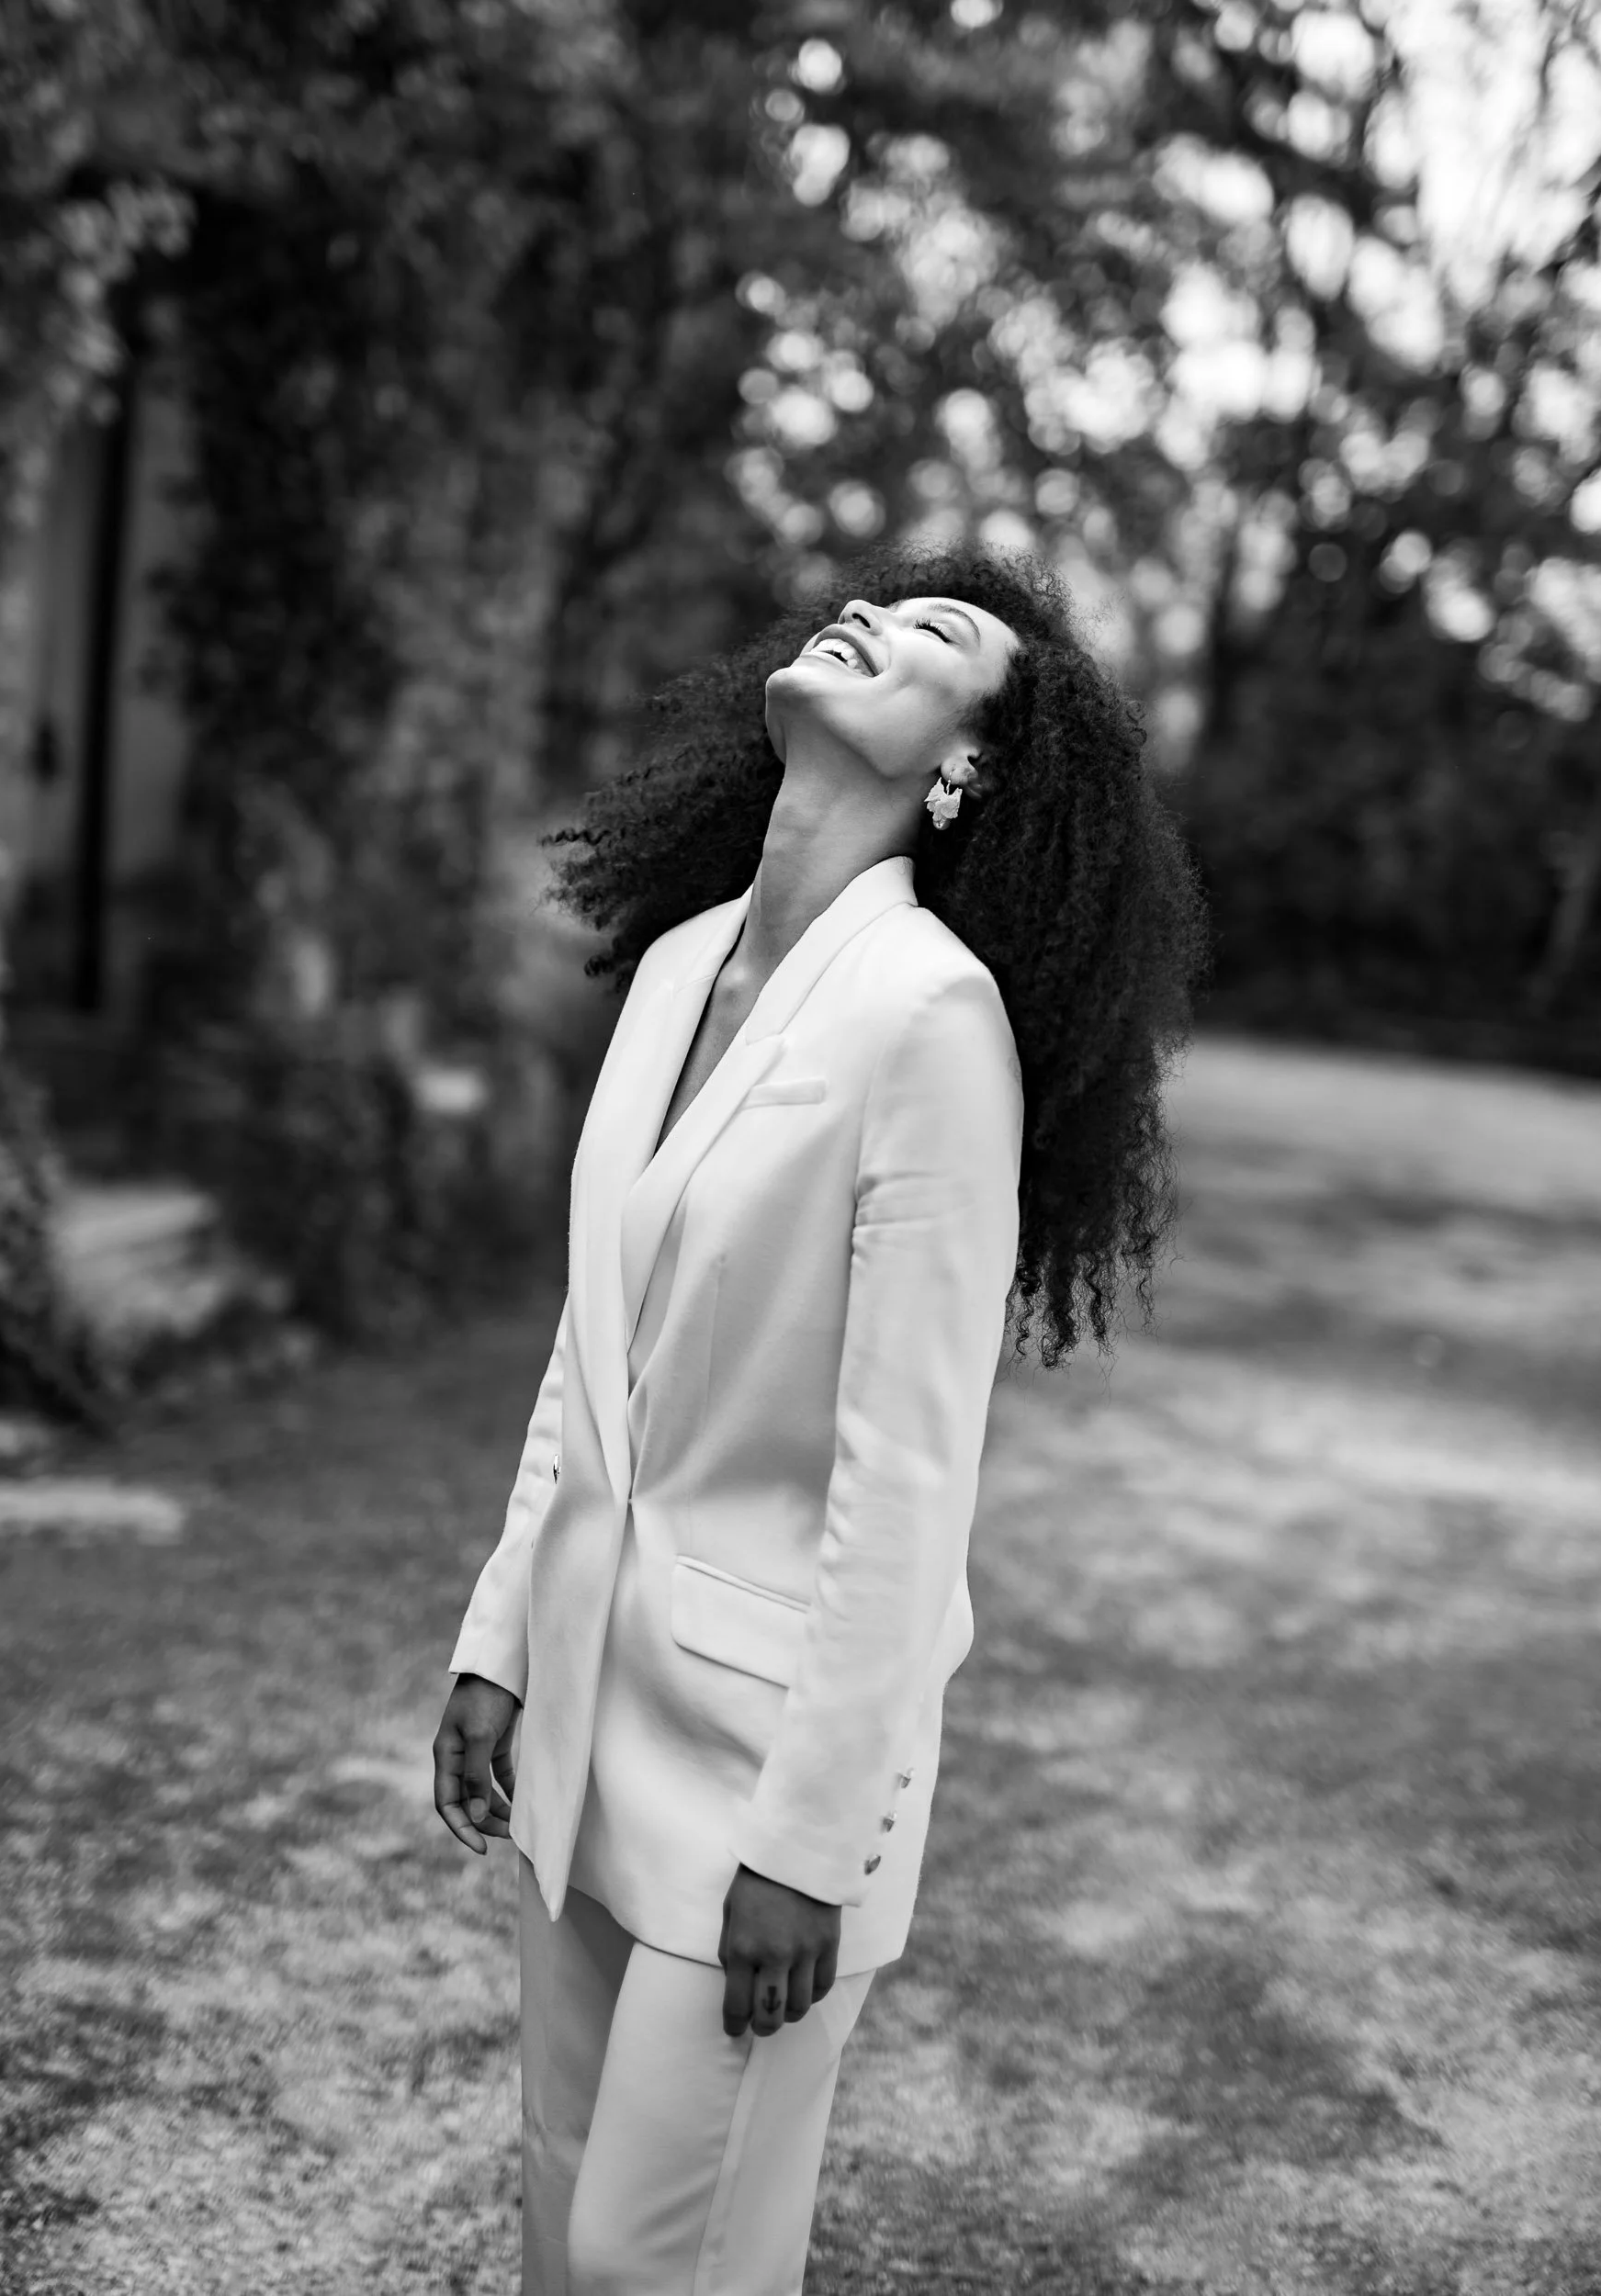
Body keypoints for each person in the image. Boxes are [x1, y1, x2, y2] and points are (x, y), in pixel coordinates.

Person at [433, 542, 1206, 2295]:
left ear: (965, 771)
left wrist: (811, 1847)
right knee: (561, 2220)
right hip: (586, 1699)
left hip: (760, 1772)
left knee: (662, 2260)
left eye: (932, 634)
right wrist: (500, 1638)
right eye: (866, 602)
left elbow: (907, 1478)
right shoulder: (680, 963)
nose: (865, 616)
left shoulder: (929, 1020)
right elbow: (591, 1339)